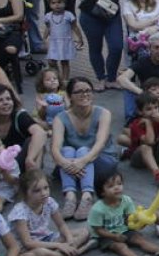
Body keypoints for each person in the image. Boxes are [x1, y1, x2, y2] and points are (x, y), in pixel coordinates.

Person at [50, 77, 119, 222]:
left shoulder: (103, 113)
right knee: (67, 150)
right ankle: (70, 197)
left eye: (88, 90)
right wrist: (66, 164)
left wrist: (82, 161)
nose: (84, 94)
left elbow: (100, 143)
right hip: (72, 163)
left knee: (83, 150)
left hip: (101, 159)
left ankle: (87, 196)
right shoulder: (60, 118)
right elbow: (55, 148)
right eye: (79, 91)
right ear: (70, 97)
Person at [0, 85, 43, 172]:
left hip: (20, 161)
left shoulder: (19, 116)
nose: (6, 102)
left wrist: (30, 158)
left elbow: (40, 133)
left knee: (35, 141)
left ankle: (34, 179)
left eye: (8, 99)